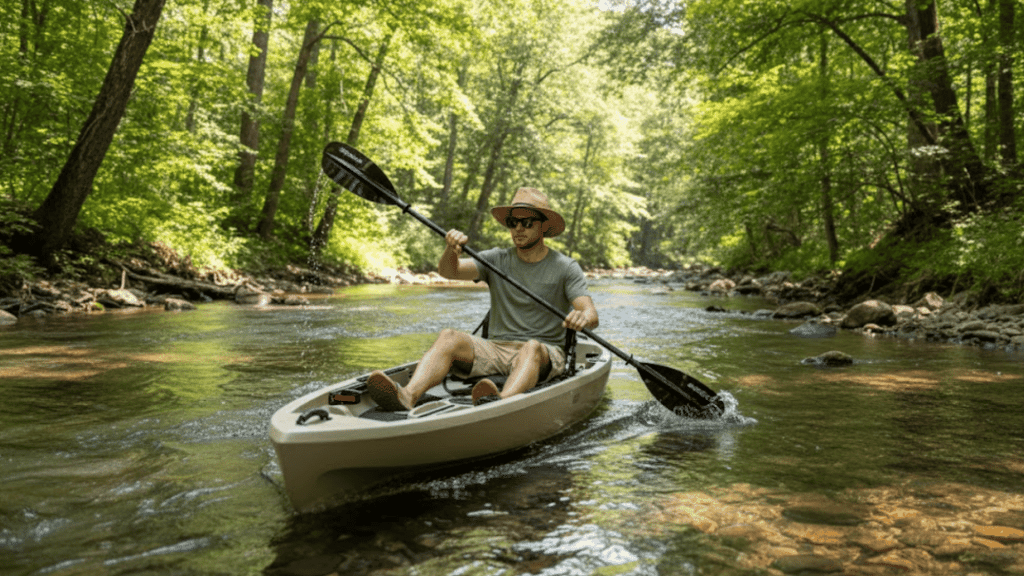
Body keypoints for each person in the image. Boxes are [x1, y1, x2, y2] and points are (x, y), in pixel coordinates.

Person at [366, 187, 599, 409]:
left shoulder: (566, 267)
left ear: (543, 226)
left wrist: (582, 318)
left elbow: (591, 314)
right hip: (496, 349)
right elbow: (450, 271)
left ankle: (500, 402)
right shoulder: (496, 259)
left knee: (531, 347)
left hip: (543, 353)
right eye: (513, 222)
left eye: (527, 222)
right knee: (449, 336)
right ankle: (408, 395)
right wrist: (451, 250)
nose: (518, 228)